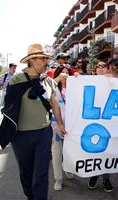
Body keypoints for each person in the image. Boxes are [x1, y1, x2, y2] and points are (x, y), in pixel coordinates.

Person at [8, 43, 67, 200]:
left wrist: (60, 123)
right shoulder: (16, 80)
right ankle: (30, 196)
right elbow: (10, 107)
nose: (45, 61)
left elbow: (54, 103)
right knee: (26, 173)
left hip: (44, 133)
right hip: (21, 136)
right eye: (42, 58)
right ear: (32, 60)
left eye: (46, 58)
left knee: (41, 174)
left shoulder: (48, 81)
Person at [87, 60, 113, 193]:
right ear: (95, 69)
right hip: (93, 123)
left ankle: (106, 179)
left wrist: (112, 81)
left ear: (107, 69)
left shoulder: (112, 81)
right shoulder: (88, 81)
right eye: (99, 66)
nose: (101, 68)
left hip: (107, 123)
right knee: (95, 152)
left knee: (106, 151)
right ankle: (94, 174)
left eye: (104, 66)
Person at [51, 66, 73, 191]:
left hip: (71, 126)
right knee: (57, 153)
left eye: (67, 73)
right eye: (62, 73)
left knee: (69, 151)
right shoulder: (52, 88)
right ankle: (58, 179)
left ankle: (68, 169)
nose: (65, 76)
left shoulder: (74, 89)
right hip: (56, 125)